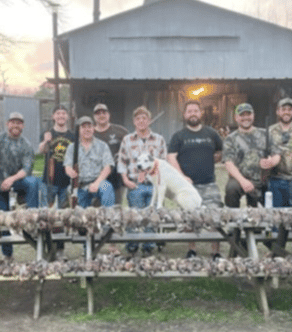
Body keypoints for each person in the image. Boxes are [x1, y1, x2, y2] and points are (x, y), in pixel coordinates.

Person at [168, 99, 223, 257]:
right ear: (184, 115)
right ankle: (192, 250)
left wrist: (212, 159)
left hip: (209, 184)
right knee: (189, 217)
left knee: (215, 216)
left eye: (195, 110)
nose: (193, 113)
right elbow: (171, 157)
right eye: (189, 111)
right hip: (187, 186)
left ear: (201, 113)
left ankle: (216, 252)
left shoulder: (211, 133)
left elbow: (219, 152)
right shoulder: (178, 136)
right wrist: (182, 177)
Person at [0, 112, 39, 260]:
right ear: (7, 124)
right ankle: (7, 255)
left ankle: (32, 220)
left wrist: (11, 179)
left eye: (19, 123)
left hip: (17, 182)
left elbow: (27, 168)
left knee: (34, 182)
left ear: (23, 126)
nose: (16, 125)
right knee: (3, 219)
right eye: (13, 122)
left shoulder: (26, 144)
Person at [117, 106, 167, 256]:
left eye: (144, 118)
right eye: (138, 118)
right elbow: (121, 162)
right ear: (134, 122)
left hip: (153, 186)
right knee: (134, 217)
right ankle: (132, 245)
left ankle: (148, 246)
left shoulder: (159, 140)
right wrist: (125, 180)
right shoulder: (127, 140)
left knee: (151, 218)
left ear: (149, 120)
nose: (141, 121)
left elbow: (163, 163)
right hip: (135, 185)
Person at [223, 102, 279, 208]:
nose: (245, 118)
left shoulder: (265, 134)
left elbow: (277, 154)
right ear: (236, 117)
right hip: (240, 179)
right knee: (231, 189)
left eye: (248, 114)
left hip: (262, 179)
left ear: (253, 115)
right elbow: (228, 163)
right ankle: (232, 219)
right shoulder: (230, 139)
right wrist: (242, 181)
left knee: (261, 210)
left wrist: (271, 162)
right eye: (242, 115)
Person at [64, 116, 115, 208]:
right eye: (83, 127)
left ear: (93, 128)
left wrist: (97, 183)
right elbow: (67, 166)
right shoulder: (72, 147)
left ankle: (108, 219)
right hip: (79, 186)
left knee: (107, 187)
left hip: (98, 183)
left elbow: (108, 167)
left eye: (89, 127)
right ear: (79, 130)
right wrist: (70, 172)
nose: (87, 130)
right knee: (78, 214)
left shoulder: (102, 146)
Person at [38, 104, 75, 208]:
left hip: (67, 181)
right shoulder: (47, 134)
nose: (61, 116)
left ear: (67, 117)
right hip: (49, 180)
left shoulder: (73, 136)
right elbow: (41, 151)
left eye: (63, 113)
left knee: (65, 213)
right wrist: (45, 141)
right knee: (45, 213)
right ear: (53, 116)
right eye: (58, 113)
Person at [92, 103, 129, 204]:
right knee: (96, 208)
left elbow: (130, 150)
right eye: (98, 113)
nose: (101, 115)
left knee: (115, 208)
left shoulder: (121, 131)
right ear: (94, 117)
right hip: (96, 176)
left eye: (104, 112)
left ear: (109, 115)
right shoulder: (90, 133)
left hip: (116, 178)